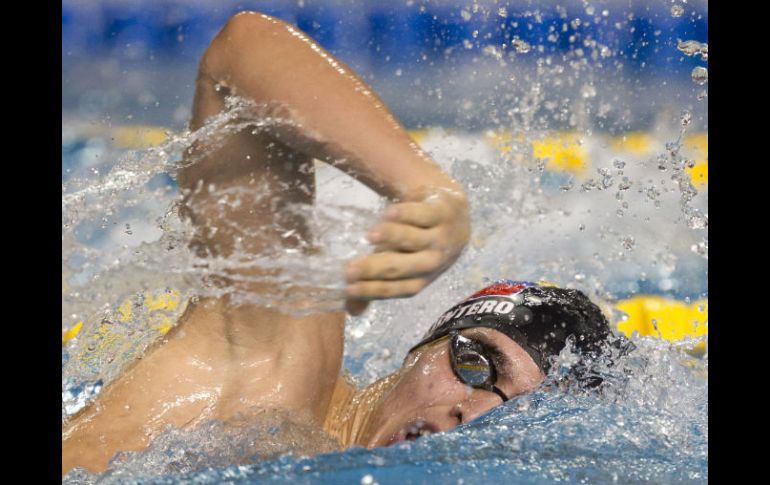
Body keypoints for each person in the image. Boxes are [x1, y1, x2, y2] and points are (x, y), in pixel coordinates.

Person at [62, 12, 612, 475]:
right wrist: (425, 189)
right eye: (475, 368)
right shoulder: (279, 366)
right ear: (421, 347)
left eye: (509, 416)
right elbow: (240, 50)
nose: (470, 413)